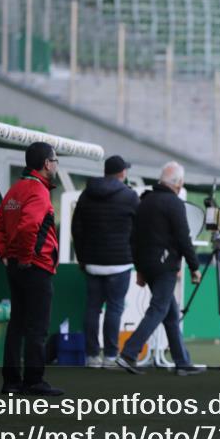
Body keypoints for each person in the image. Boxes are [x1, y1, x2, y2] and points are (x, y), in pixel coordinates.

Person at [116, 162, 204, 376]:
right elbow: (184, 239)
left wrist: (139, 268)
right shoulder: (174, 204)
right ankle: (129, 353)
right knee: (159, 309)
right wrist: (194, 267)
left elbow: (133, 238)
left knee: (170, 314)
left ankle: (182, 362)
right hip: (165, 266)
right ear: (179, 183)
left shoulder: (144, 201)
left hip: (148, 264)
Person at [0, 142, 63, 396]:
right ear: (46, 164)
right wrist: (23, 257)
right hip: (35, 265)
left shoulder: (16, 189)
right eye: (55, 160)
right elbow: (28, 226)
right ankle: (34, 381)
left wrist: (4, 254)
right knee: (37, 327)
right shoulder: (39, 191)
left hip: (16, 266)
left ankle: (11, 382)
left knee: (17, 324)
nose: (56, 164)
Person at [72, 154, 139, 369]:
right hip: (120, 263)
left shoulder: (86, 194)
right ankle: (110, 356)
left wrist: (82, 258)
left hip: (92, 262)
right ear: (122, 173)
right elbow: (140, 229)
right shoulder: (130, 196)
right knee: (115, 309)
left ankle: (92, 356)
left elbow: (76, 229)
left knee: (92, 308)